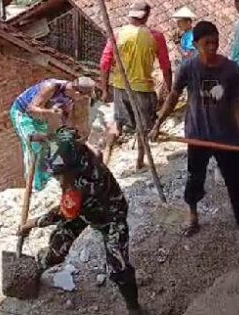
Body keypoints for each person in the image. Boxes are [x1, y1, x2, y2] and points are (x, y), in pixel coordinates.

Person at [17, 127, 146, 315]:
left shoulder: (87, 184)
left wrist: (32, 223)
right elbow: (66, 133)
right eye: (56, 176)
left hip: (110, 214)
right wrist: (45, 138)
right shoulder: (74, 149)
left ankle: (134, 308)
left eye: (61, 175)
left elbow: (62, 213)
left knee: (119, 267)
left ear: (72, 168)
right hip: (82, 211)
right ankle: (39, 267)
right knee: (58, 244)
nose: (59, 181)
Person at [150, 21, 239, 238]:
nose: (212, 46)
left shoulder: (230, 68)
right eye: (207, 42)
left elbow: (238, 103)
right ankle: (193, 216)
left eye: (215, 42)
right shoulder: (189, 68)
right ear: (197, 43)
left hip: (226, 135)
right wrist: (157, 124)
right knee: (194, 177)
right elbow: (174, 96)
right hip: (197, 134)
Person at [99, 1, 173, 170]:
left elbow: (104, 63)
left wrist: (104, 90)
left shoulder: (117, 34)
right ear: (146, 16)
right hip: (143, 89)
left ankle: (105, 160)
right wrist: (170, 89)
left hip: (120, 87)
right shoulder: (156, 36)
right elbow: (165, 66)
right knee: (143, 128)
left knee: (117, 123)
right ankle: (140, 160)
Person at [11, 76, 96, 191]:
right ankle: (34, 187)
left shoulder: (71, 98)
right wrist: (50, 112)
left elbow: (66, 118)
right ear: (76, 91)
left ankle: (47, 179)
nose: (83, 99)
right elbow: (31, 109)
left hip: (43, 118)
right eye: (83, 95)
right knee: (35, 145)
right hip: (24, 115)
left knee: (54, 144)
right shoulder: (51, 87)